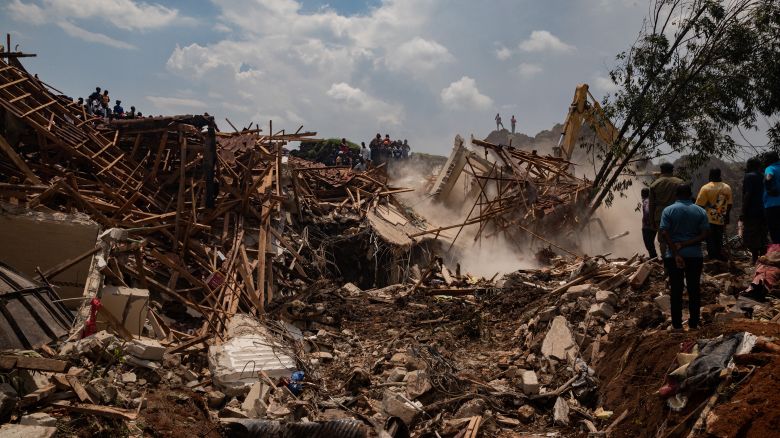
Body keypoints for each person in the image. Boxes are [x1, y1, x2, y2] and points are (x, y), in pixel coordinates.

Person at [659, 183, 709, 330]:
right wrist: (687, 243)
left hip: (673, 256)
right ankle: (693, 324)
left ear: (676, 195)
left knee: (676, 290)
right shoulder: (700, 211)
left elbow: (664, 232)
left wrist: (676, 252)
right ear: (690, 194)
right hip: (695, 255)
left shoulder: (668, 210)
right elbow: (705, 234)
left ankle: (677, 325)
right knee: (694, 289)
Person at [695, 168, 732, 261]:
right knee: (719, 238)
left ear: (710, 175)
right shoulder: (726, 187)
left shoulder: (706, 188)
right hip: (721, 218)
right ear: (720, 175)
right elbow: (730, 204)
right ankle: (719, 256)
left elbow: (699, 205)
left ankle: (713, 258)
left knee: (710, 239)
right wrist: (727, 217)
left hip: (708, 218)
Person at [649, 162, 684, 257]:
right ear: (672, 170)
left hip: (660, 215)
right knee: (677, 238)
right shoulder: (680, 182)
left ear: (661, 171)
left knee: (663, 240)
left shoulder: (655, 184)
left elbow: (651, 205)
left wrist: (651, 221)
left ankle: (666, 261)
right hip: (676, 214)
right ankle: (677, 259)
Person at [740, 157, 767, 263]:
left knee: (751, 234)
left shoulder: (749, 176)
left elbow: (748, 194)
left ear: (750, 165)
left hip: (752, 210)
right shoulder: (763, 175)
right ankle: (763, 256)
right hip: (764, 209)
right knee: (762, 233)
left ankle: (755, 257)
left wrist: (743, 210)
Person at [765, 151, 780, 244]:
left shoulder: (770, 168)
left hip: (772, 205)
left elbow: (768, 177)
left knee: (774, 230)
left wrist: (769, 189)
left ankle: (777, 252)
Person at [641, 188, 658, 259]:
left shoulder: (646, 201)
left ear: (642, 194)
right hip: (652, 225)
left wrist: (649, 223)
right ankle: (653, 258)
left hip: (648, 227)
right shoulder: (651, 200)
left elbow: (647, 212)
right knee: (650, 243)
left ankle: (654, 258)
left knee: (649, 244)